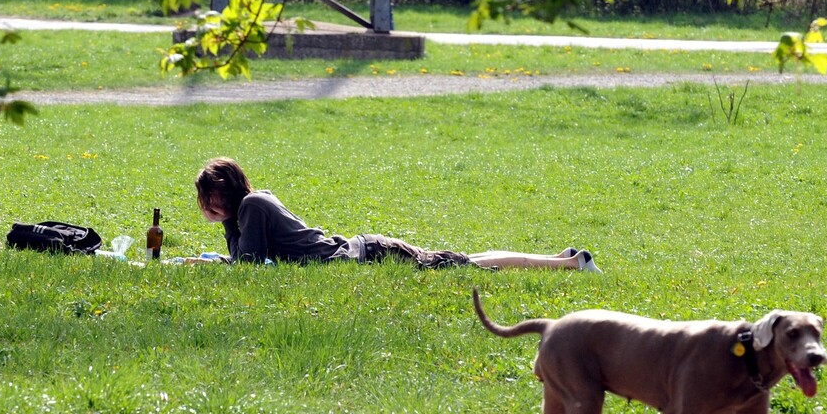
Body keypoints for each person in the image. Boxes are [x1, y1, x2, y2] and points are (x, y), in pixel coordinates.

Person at [189, 157, 601, 272]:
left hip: (368, 254)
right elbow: (252, 259)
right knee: (464, 261)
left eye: (208, 198)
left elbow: (247, 265)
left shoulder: (251, 207)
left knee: (466, 264)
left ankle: (570, 263)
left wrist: (220, 235)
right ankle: (564, 259)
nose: (206, 206)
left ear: (221, 194)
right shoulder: (251, 206)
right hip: (364, 251)